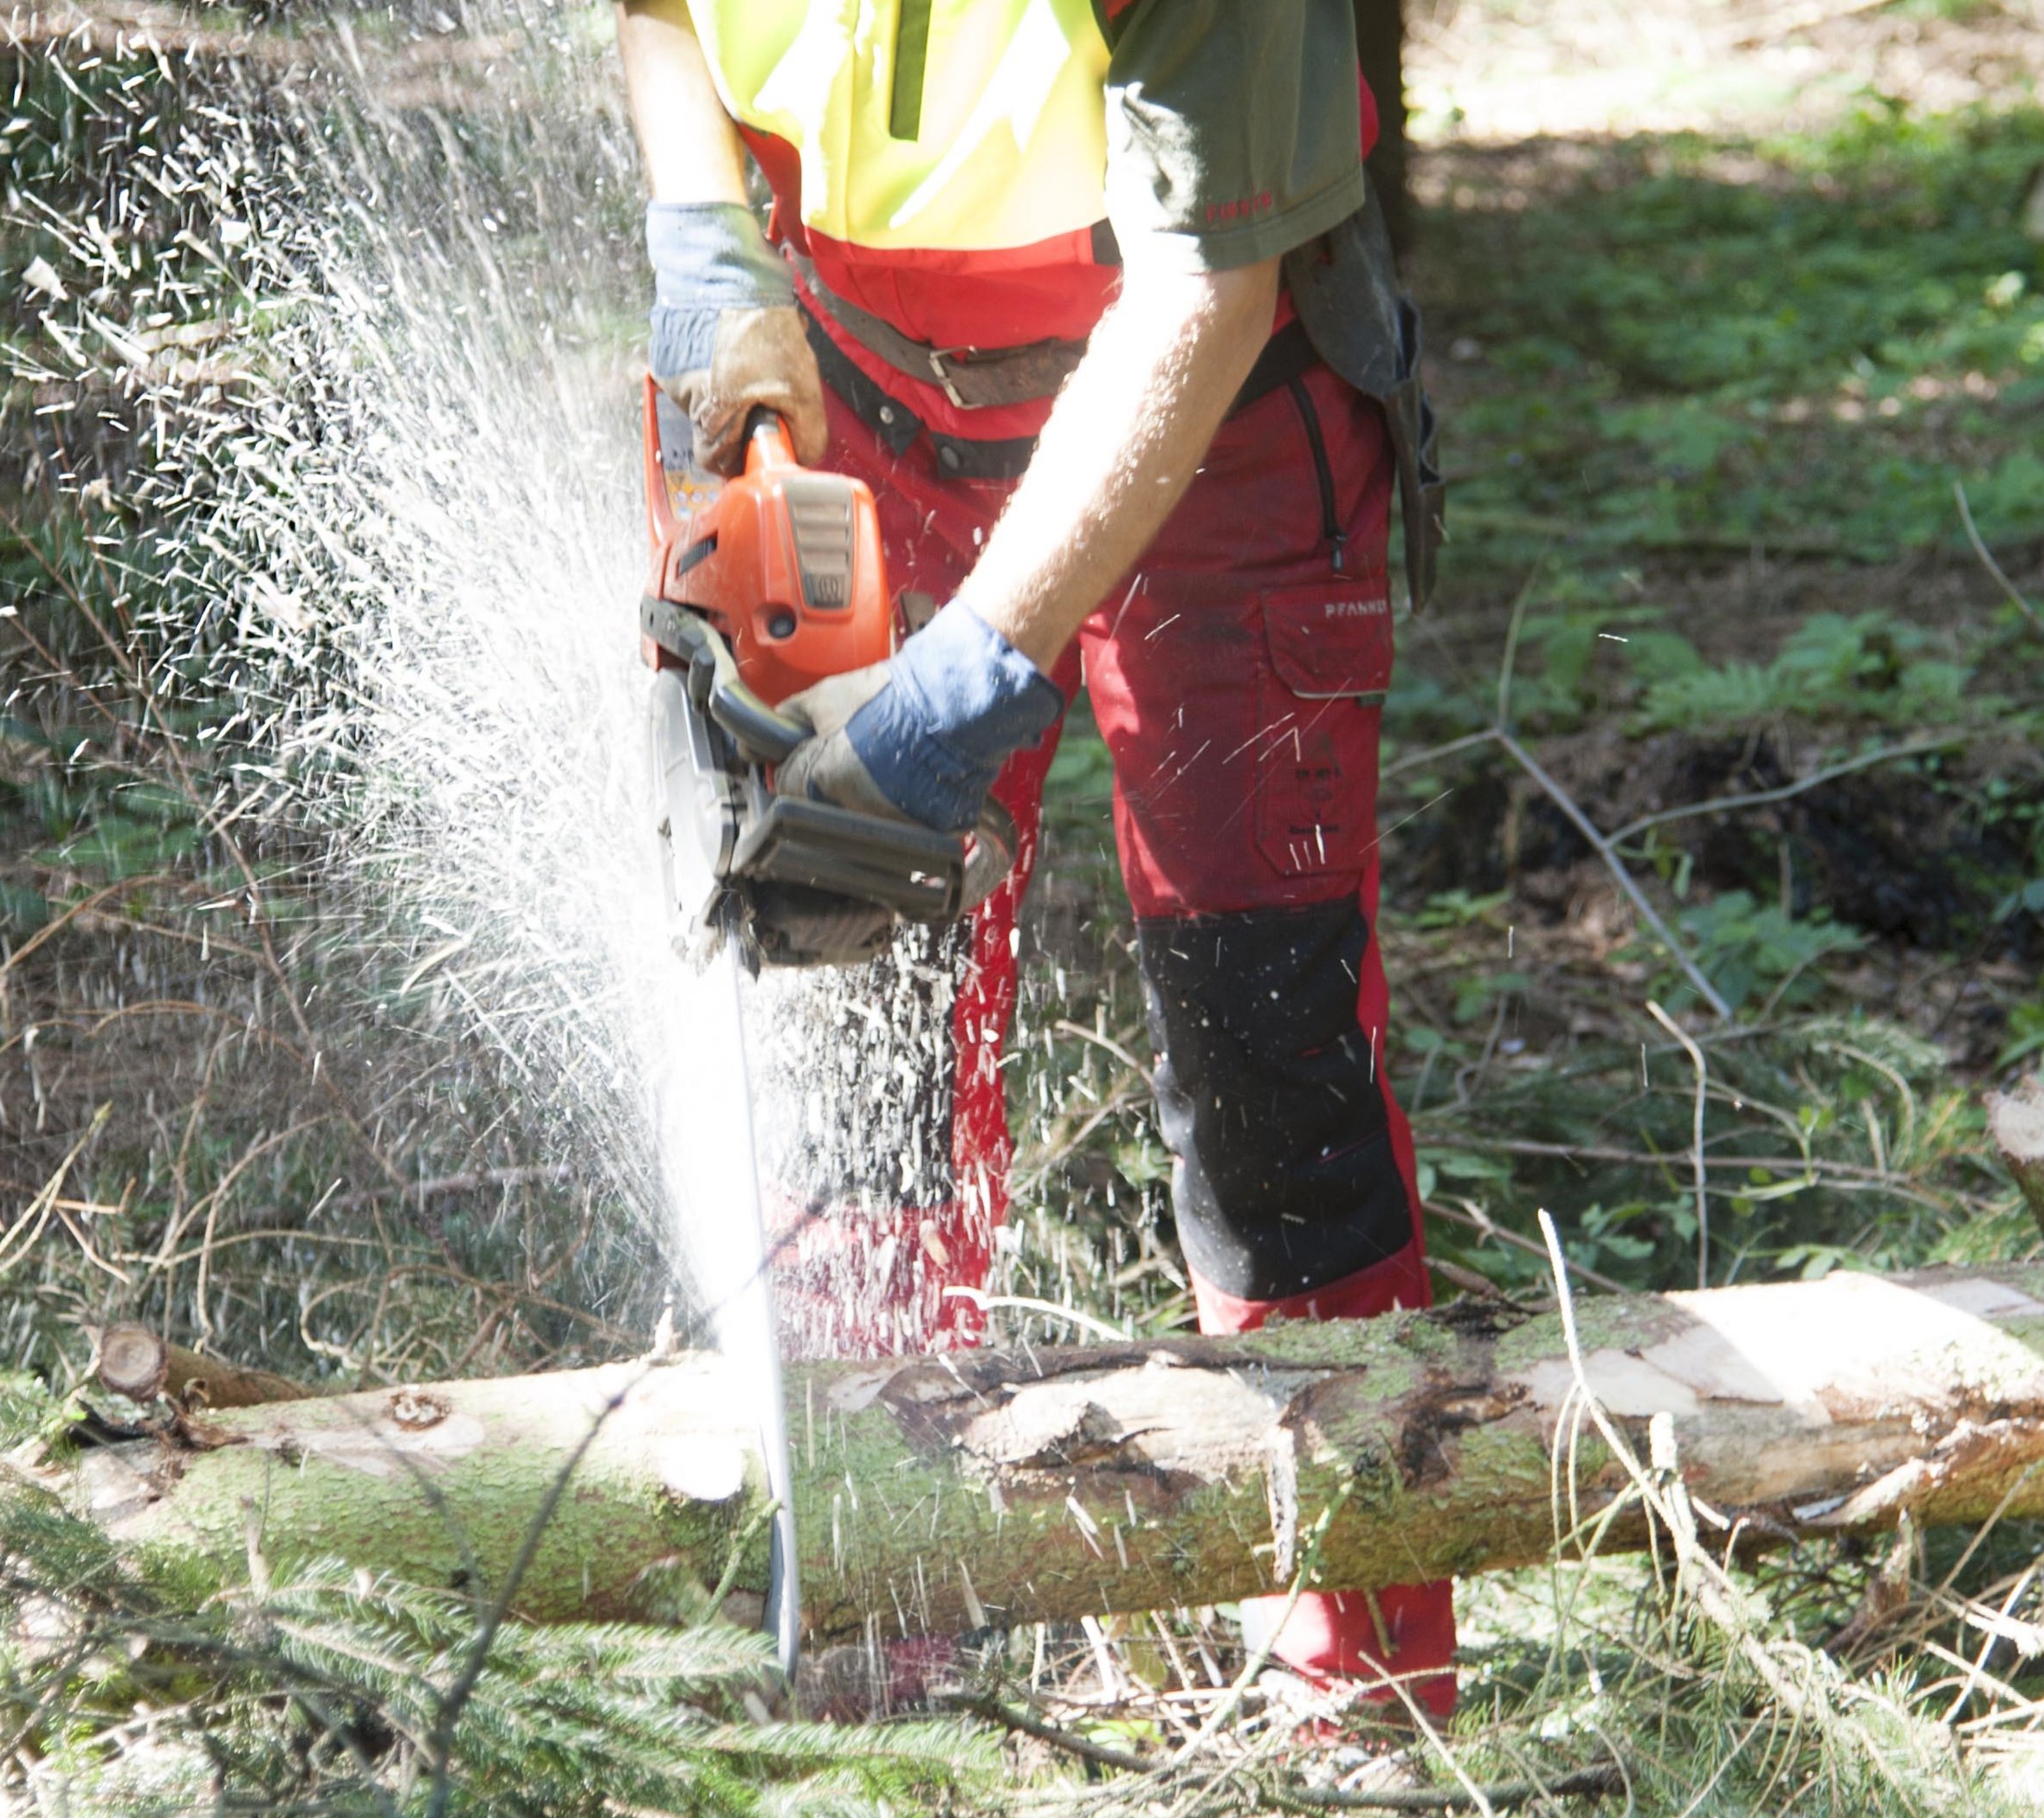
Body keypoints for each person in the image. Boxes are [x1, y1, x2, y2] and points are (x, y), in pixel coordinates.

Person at [614, 0, 1453, 1720]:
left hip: (1210, 392)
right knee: (858, 1036)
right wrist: (707, 248)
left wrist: (972, 681)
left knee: (1268, 1052)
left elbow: (1205, 291)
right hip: (857, 387)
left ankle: (1362, 1704)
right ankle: (881, 1646)